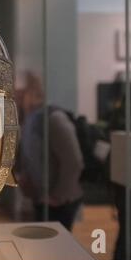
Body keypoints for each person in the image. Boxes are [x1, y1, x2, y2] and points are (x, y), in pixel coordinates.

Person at [18, 73, 84, 230]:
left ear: (28, 92)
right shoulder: (30, 119)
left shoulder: (53, 118)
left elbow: (74, 161)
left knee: (57, 249)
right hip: (43, 197)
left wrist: (57, 196)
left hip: (60, 201)